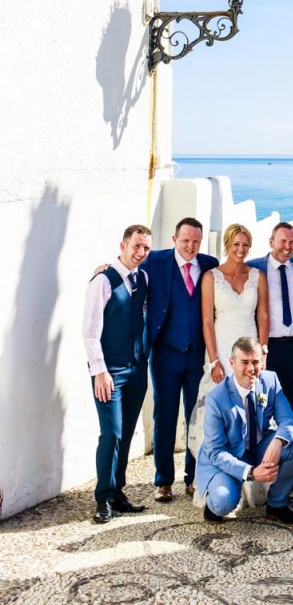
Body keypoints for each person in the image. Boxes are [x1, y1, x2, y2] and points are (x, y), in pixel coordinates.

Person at [143, 217, 219, 502]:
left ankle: (192, 477)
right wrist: (104, 268)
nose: (191, 246)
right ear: (174, 239)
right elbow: (128, 266)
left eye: (196, 241)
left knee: (195, 417)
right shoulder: (156, 261)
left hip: (197, 357)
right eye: (185, 240)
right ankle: (163, 480)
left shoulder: (210, 264)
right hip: (165, 354)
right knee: (164, 416)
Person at [195, 337, 293, 526]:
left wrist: (278, 441)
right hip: (228, 455)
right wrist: (251, 472)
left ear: (262, 361)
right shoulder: (216, 398)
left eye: (255, 362)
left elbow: (288, 420)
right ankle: (213, 500)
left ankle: (277, 504)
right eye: (244, 362)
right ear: (232, 363)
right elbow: (215, 452)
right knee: (223, 502)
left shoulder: (270, 380)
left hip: (259, 445)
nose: (251, 368)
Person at [83, 224, 152, 523]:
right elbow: (89, 332)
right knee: (110, 434)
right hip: (109, 373)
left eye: (146, 248)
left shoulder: (144, 278)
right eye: (136, 246)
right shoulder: (103, 280)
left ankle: (118, 492)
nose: (140, 253)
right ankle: (103, 498)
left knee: (125, 435)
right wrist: (100, 371)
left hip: (137, 370)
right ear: (122, 246)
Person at [187, 223, 269, 457]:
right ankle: (211, 468)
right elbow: (207, 322)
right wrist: (214, 360)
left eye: (245, 245)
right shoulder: (211, 277)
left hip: (250, 347)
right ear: (227, 245)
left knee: (248, 406)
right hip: (222, 349)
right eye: (236, 244)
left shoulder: (258, 277)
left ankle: (247, 469)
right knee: (218, 409)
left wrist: (262, 352)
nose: (240, 249)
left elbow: (263, 315)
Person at [248, 221, 293, 429]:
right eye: (283, 241)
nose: (287, 246)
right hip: (267, 346)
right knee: (263, 399)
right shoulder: (255, 267)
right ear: (271, 242)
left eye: (292, 242)